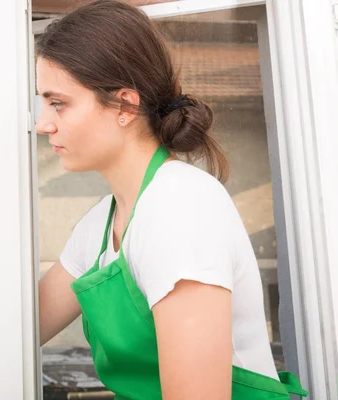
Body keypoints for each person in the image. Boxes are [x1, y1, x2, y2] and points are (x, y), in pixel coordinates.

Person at [34, 1, 307, 399]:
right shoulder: (98, 227)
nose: (43, 123)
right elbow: (19, 331)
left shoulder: (180, 210)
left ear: (125, 105)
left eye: (58, 103)